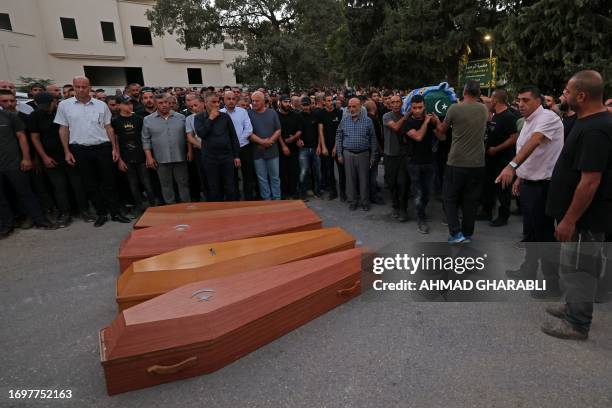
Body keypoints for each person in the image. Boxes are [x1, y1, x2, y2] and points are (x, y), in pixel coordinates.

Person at [543, 70, 612, 340]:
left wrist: (570, 219)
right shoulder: (588, 121)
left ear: (581, 96)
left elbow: (590, 181)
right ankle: (571, 306)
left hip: (585, 217)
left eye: (568, 92)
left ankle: (577, 323)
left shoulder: (597, 129)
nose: (565, 95)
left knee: (581, 268)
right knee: (571, 266)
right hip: (575, 215)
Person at [496, 85, 564, 297]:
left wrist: (511, 167)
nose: (521, 104)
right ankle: (528, 271)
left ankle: (552, 286)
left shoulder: (548, 118)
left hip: (544, 186)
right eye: (518, 100)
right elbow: (526, 150)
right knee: (531, 233)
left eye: (526, 100)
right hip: (529, 183)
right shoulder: (527, 121)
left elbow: (534, 143)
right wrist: (520, 176)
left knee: (544, 236)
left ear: (538, 101)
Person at [54, 76, 130, 227]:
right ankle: (101, 213)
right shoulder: (64, 106)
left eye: (84, 86)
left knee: (109, 182)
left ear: (89, 87)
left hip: (102, 147)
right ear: (73, 87)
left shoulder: (101, 105)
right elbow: (63, 129)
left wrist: (114, 148)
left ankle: (115, 212)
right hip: (80, 149)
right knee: (90, 184)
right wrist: (66, 151)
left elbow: (109, 128)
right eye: (78, 87)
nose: (81, 89)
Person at [434, 80, 488, 243]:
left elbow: (442, 132)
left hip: (456, 162)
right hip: (478, 163)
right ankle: (468, 233)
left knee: (449, 198)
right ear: (478, 93)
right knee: (471, 200)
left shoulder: (455, 108)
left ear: (464, 92)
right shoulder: (484, 109)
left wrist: (436, 121)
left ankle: (456, 233)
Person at [30, 92, 92, 227]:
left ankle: (84, 210)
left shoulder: (64, 111)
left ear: (54, 101)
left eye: (48, 105)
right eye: (43, 106)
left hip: (71, 153)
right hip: (51, 157)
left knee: (78, 184)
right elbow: (35, 138)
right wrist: (44, 157)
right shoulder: (35, 116)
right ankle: (65, 213)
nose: (46, 108)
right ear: (36, 104)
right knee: (59, 187)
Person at [0, 98, 56, 237]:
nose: (8, 104)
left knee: (25, 193)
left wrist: (26, 158)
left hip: (13, 163)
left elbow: (22, 137)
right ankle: (7, 225)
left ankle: (40, 220)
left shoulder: (9, 117)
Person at [402, 94, 445, 233]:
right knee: (418, 193)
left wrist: (437, 123)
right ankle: (421, 219)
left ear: (424, 106)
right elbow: (418, 137)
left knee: (427, 192)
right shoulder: (408, 123)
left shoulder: (430, 120)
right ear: (411, 108)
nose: (417, 110)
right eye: (414, 108)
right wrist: (426, 122)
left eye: (420, 107)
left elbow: (442, 137)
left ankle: (421, 211)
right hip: (414, 163)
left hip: (429, 162)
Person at [142, 93, 191, 204]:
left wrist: (190, 151)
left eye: (167, 102)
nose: (164, 105)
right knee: (166, 185)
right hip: (161, 159)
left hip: (180, 157)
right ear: (155, 104)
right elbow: (145, 140)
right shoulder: (148, 120)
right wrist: (149, 158)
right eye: (161, 103)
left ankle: (187, 207)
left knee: (183, 183)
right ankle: (171, 207)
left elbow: (187, 137)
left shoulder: (181, 118)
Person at [480, 89, 518, 226]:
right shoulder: (495, 115)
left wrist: (497, 149)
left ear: (495, 100)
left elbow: (514, 138)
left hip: (502, 159)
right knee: (488, 185)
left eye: (491, 98)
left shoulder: (508, 116)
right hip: (490, 159)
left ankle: (503, 216)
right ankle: (487, 211)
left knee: (503, 189)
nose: (489, 100)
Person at [111, 96, 156, 213]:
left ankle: (153, 206)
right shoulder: (115, 121)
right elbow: (115, 142)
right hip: (126, 157)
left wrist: (148, 156)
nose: (129, 106)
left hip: (141, 156)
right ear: (119, 105)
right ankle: (139, 207)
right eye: (126, 104)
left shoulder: (139, 119)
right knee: (133, 184)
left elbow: (145, 138)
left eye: (130, 104)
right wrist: (120, 160)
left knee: (147, 182)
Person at [194, 93, 241, 201]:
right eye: (213, 102)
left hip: (227, 156)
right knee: (214, 186)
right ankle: (217, 211)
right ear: (206, 103)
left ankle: (232, 209)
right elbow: (201, 134)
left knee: (230, 185)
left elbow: (233, 137)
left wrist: (236, 156)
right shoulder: (199, 118)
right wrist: (210, 119)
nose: (217, 104)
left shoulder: (225, 117)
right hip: (210, 158)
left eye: (218, 101)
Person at [335, 97, 378, 211]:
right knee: (350, 179)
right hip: (347, 154)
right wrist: (339, 154)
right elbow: (338, 138)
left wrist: (373, 156)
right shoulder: (344, 121)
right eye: (349, 107)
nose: (351, 109)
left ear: (360, 107)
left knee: (364, 179)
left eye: (354, 106)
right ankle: (353, 201)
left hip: (364, 154)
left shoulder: (368, 121)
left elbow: (373, 139)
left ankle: (365, 202)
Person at [220, 90, 255, 200]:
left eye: (233, 99)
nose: (231, 101)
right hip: (228, 150)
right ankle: (235, 199)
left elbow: (248, 129)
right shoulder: (219, 113)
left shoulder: (242, 112)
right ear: (223, 100)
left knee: (248, 175)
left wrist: (237, 143)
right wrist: (232, 145)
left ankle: (249, 198)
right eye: (228, 99)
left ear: (236, 99)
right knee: (231, 177)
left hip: (244, 147)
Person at [248, 91, 282, 200]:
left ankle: (277, 199)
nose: (254, 103)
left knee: (275, 177)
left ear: (263, 101)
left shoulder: (272, 113)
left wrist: (269, 142)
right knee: (262, 178)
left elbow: (278, 130)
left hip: (272, 151)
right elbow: (248, 133)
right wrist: (262, 142)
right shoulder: (248, 114)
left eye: (256, 101)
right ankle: (266, 200)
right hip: (257, 152)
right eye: (252, 101)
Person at [383, 95, 411, 220]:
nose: (395, 104)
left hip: (403, 155)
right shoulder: (386, 116)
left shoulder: (407, 115)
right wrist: (406, 117)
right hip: (390, 155)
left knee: (403, 183)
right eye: (392, 102)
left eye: (397, 102)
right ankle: (395, 206)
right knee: (392, 183)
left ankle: (403, 209)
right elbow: (395, 127)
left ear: (402, 103)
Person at [297, 96, 324, 199]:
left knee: (317, 171)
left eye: (307, 105)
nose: (305, 107)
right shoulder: (298, 116)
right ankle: (302, 193)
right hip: (303, 149)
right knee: (304, 172)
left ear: (311, 104)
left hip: (315, 147)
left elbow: (319, 132)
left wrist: (319, 146)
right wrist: (298, 140)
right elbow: (296, 131)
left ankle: (317, 191)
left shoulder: (316, 115)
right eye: (303, 105)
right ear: (301, 105)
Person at [318, 94, 343, 200]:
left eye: (331, 100)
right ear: (324, 102)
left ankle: (343, 192)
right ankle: (333, 191)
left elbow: (340, 131)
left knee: (342, 170)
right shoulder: (321, 114)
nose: (330, 102)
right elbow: (320, 131)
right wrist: (323, 147)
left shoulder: (339, 112)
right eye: (327, 100)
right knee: (329, 170)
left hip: (338, 145)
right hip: (326, 146)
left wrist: (336, 147)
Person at [277, 94, 302, 199]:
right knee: (282, 173)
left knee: (294, 171)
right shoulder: (276, 115)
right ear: (280, 102)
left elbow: (300, 130)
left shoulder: (295, 114)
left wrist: (294, 138)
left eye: (288, 102)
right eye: (285, 102)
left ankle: (293, 192)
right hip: (280, 148)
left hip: (294, 149)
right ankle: (284, 193)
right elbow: (276, 132)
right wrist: (283, 146)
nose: (287, 104)